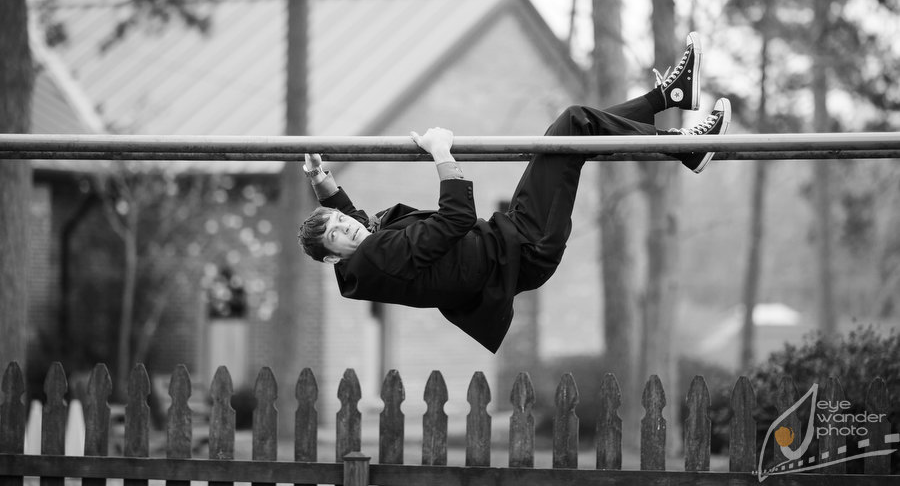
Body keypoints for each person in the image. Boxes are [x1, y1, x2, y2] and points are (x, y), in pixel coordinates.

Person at [297, 32, 731, 352]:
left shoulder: (363, 261)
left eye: (342, 223)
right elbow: (456, 219)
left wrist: (322, 184)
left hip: (513, 242)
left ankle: (670, 98)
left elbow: (356, 219)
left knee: (576, 131)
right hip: (525, 246)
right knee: (571, 123)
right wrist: (442, 154)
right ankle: (685, 144)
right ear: (333, 256)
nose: (348, 228)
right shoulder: (379, 256)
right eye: (337, 234)